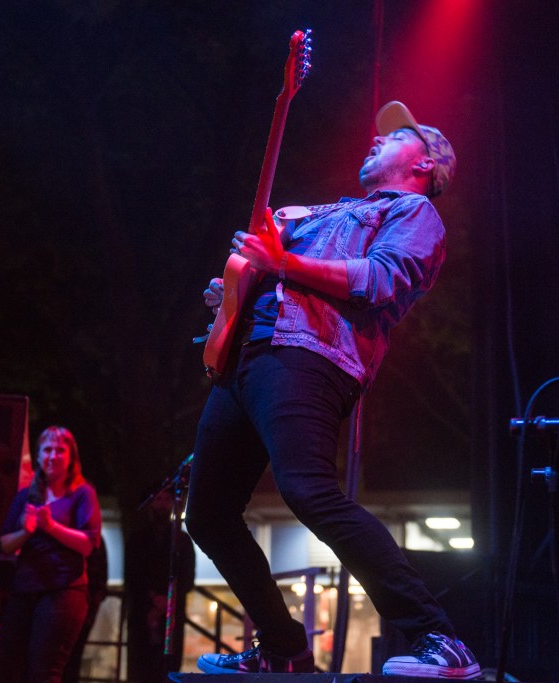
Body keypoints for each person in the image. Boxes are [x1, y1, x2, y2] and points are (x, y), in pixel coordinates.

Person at [186, 101, 480, 679]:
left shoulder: (414, 211)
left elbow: (379, 278)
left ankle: (439, 638)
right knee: (208, 515)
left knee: (309, 491)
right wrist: (236, 291)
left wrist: (282, 263)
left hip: (309, 355)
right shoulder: (324, 212)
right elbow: (272, 272)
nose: (376, 140)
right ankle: (284, 648)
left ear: (424, 164)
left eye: (395, 137)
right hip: (246, 357)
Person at [0, 426, 102, 683]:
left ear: (71, 457)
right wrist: (26, 531)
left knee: (44, 670)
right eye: (47, 450)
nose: (53, 456)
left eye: (60, 450)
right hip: (24, 588)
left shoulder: (82, 493)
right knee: (5, 666)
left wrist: (51, 527)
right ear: (39, 455)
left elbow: (88, 544)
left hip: (63, 590)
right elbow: (5, 544)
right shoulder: (26, 496)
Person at [124, 488, 196, 683]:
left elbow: (187, 577)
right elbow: (132, 575)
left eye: (166, 499)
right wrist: (152, 598)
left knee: (169, 666)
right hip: (142, 613)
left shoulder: (182, 540)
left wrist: (166, 600)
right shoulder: (137, 539)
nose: (162, 504)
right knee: (142, 665)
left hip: (172, 615)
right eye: (158, 499)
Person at [61, 536, 108, 683]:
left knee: (70, 657)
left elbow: (100, 579)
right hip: (75, 604)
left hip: (82, 605)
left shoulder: (93, 539)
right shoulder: (94, 539)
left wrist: (92, 607)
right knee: (68, 658)